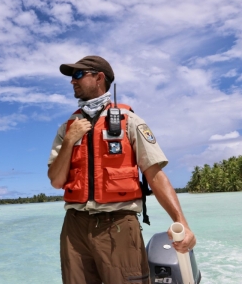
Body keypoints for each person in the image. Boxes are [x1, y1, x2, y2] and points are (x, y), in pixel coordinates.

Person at [47, 56, 196, 284]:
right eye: (71, 77)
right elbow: (56, 181)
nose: (72, 82)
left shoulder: (130, 121)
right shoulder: (67, 128)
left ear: (99, 78)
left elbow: (154, 175)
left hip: (117, 224)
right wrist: (69, 141)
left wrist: (181, 222)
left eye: (78, 75)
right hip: (74, 226)